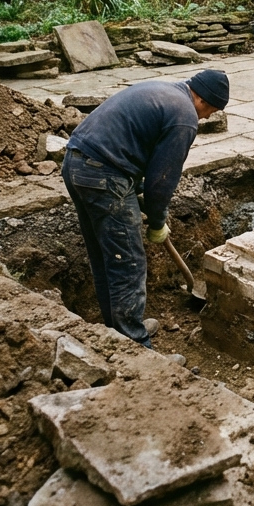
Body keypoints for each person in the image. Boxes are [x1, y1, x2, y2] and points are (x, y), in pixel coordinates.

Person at [61, 69, 229, 348]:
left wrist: (135, 191)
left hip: (76, 163)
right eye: (211, 111)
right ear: (203, 100)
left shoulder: (164, 91)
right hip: (103, 175)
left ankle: (118, 330)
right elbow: (162, 181)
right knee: (127, 264)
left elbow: (141, 159)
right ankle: (136, 346)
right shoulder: (184, 116)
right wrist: (157, 221)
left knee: (105, 258)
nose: (207, 117)